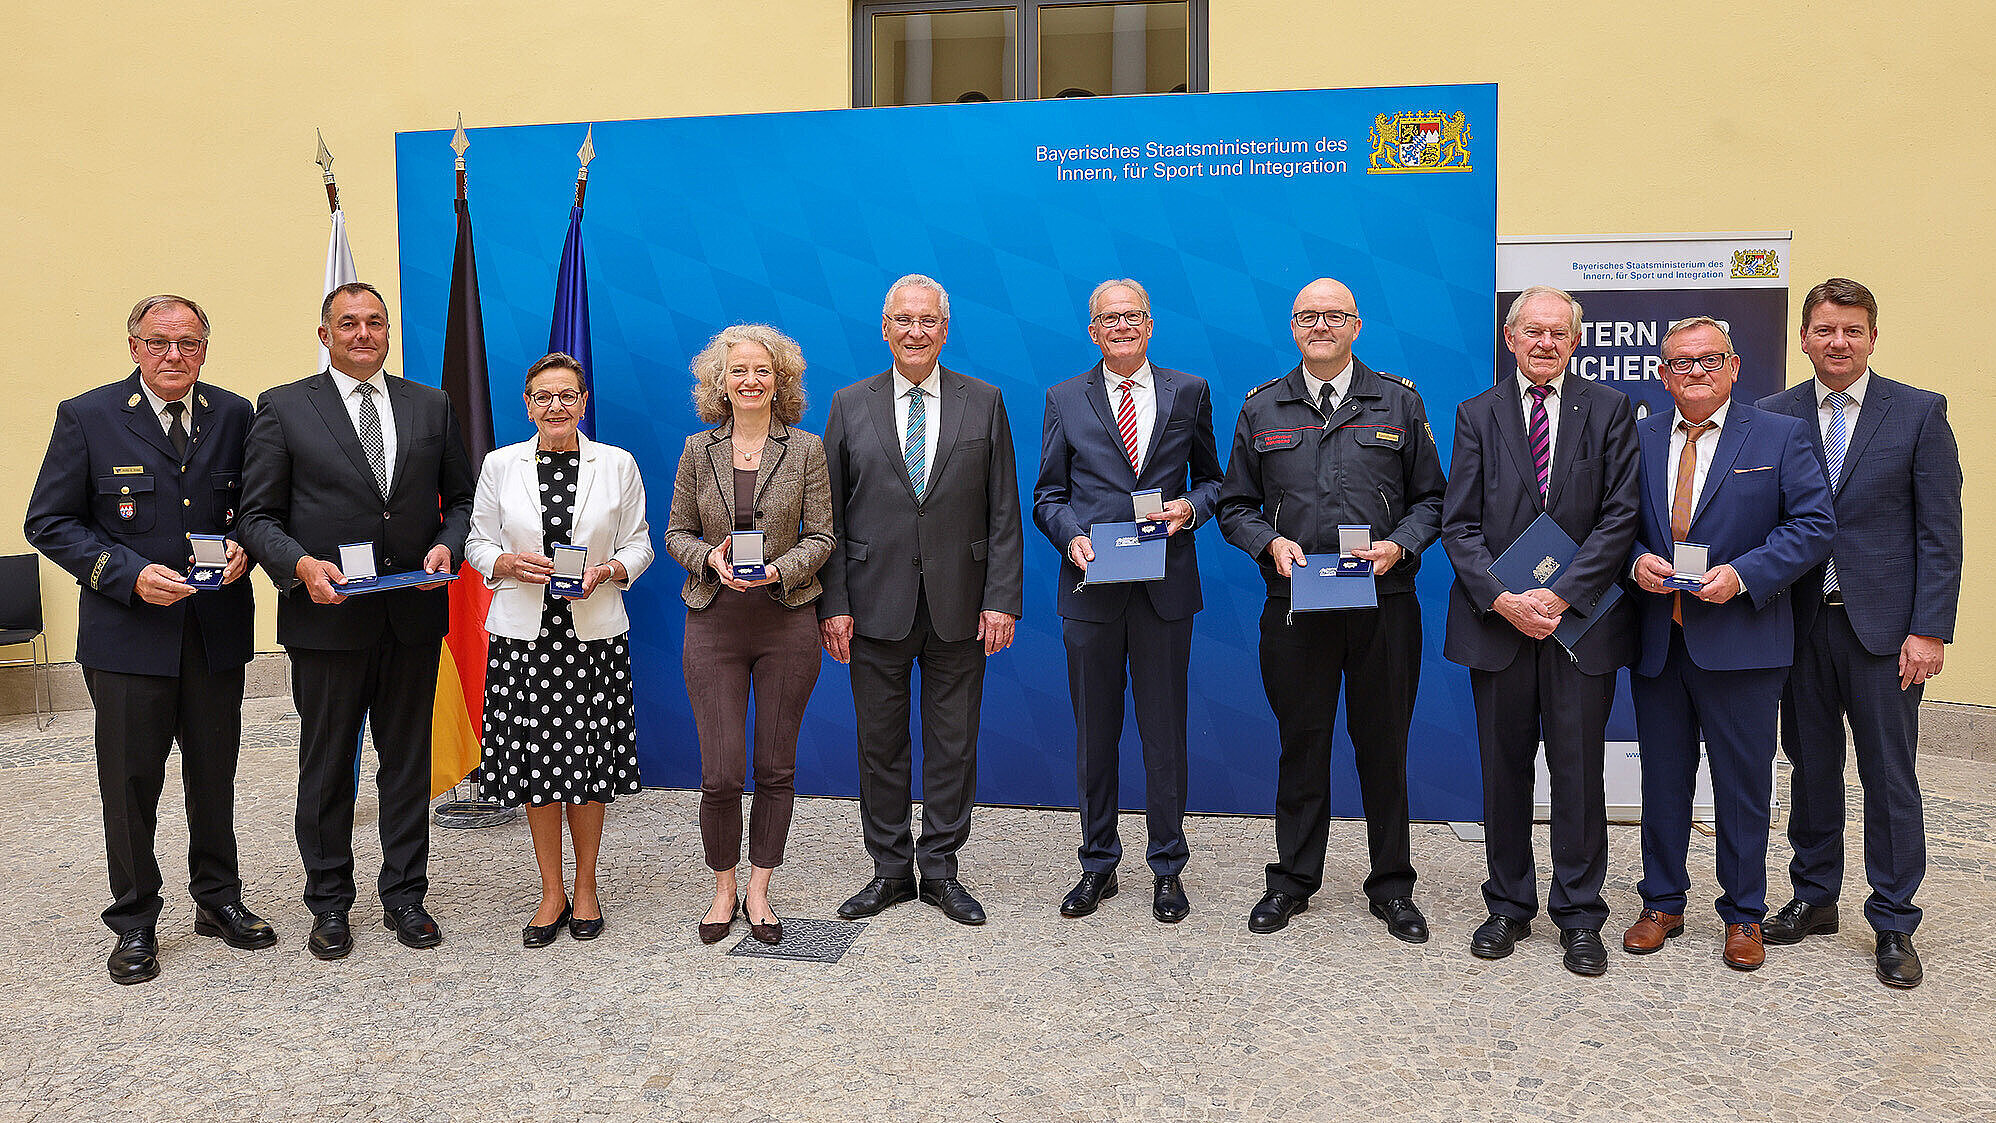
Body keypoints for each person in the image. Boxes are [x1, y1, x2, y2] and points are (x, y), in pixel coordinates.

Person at [23, 294, 272, 984]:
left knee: (213, 774)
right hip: (129, 638)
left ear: (205, 349)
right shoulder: (88, 416)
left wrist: (247, 545)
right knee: (131, 782)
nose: (174, 355)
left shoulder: (235, 414)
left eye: (188, 343)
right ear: (133, 346)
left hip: (214, 631)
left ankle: (218, 899)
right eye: (159, 342)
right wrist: (126, 574)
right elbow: (49, 521)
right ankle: (134, 917)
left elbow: (256, 506)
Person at [237, 281, 475, 960]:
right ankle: (329, 902)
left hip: (411, 616)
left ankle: (406, 895)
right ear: (325, 335)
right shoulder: (284, 407)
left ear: (388, 332)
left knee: (406, 764)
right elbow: (257, 517)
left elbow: (462, 499)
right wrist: (300, 565)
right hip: (326, 620)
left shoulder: (430, 404)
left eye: (375, 322)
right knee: (327, 765)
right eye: (348, 324)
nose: (363, 334)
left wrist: (449, 545)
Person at [1216, 277, 1446, 942]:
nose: (1320, 325)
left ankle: (1392, 886)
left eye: (1334, 315)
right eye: (1308, 316)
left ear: (1356, 325)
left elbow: (1433, 499)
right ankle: (1292, 880)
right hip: (1296, 606)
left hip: (1384, 604)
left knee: (1384, 748)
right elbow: (1234, 506)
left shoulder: (1399, 401)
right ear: (1293, 327)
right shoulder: (1262, 406)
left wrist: (1399, 546)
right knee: (1302, 744)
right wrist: (1270, 542)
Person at [1756, 279, 1961, 988]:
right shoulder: (1773, 415)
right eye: (1824, 329)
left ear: (1873, 337)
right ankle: (1814, 895)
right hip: (1799, 624)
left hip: (1885, 632)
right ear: (1804, 338)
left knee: (1888, 773)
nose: (1837, 342)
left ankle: (1894, 919)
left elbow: (1940, 533)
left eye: (1851, 330)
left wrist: (1929, 630)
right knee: (1810, 766)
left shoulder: (1920, 413)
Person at [1439, 286, 1640, 976]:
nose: (1545, 342)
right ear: (1511, 337)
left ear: (1576, 340)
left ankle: (1580, 914)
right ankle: (1507, 905)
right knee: (1503, 772)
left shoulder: (1610, 410)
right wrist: (1503, 599)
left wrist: (1560, 594)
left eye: (1558, 332)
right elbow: (1458, 524)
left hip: (1579, 627)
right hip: (1499, 626)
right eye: (1533, 331)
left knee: (1579, 774)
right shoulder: (1477, 414)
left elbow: (1620, 516)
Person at [1623, 316, 1834, 971]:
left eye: (1710, 360)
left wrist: (1743, 576)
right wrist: (1633, 561)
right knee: (1663, 782)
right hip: (1660, 640)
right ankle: (1662, 902)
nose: (1697, 372)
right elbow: (1614, 524)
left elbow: (1813, 525)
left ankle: (1744, 913)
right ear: (1663, 375)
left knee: (1742, 787)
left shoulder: (1779, 434)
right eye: (1682, 363)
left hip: (1744, 641)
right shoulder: (1638, 437)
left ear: (1734, 367)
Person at [819, 274, 1025, 926]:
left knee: (953, 744)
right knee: (879, 744)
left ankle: (939, 869)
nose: (915, 332)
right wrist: (833, 603)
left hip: (961, 604)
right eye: (904, 320)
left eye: (927, 321)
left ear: (945, 328)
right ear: (885, 328)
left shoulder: (984, 401)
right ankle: (889, 869)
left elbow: (1003, 510)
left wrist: (1002, 598)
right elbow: (828, 517)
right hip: (872, 603)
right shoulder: (848, 404)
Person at [1031, 278, 1222, 923]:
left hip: (1164, 589)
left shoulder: (1189, 391)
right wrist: (1072, 539)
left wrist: (1189, 509)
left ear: (1150, 324)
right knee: (1095, 733)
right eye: (1109, 318)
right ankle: (1097, 864)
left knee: (1165, 733)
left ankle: (1168, 867)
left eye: (1133, 316)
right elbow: (1047, 496)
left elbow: (1215, 481)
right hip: (1092, 589)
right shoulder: (1064, 398)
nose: (1122, 326)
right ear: (1093, 330)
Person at [465, 352, 653, 947]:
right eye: (543, 397)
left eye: (567, 395)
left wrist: (609, 571)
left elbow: (640, 544)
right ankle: (551, 891)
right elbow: (476, 542)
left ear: (583, 402)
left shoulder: (616, 464)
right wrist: (504, 562)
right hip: (524, 638)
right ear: (528, 405)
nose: (555, 406)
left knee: (589, 767)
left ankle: (588, 886)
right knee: (537, 770)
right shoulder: (500, 464)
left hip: (592, 636)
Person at [661, 325, 833, 946]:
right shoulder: (696, 449)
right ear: (721, 381)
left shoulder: (807, 450)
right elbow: (675, 533)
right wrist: (710, 558)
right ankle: (723, 887)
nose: (751, 380)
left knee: (775, 765)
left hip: (786, 619)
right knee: (721, 771)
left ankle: (759, 888)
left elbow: (823, 536)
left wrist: (776, 570)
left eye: (763, 370)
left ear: (780, 380)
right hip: (714, 622)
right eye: (739, 371)